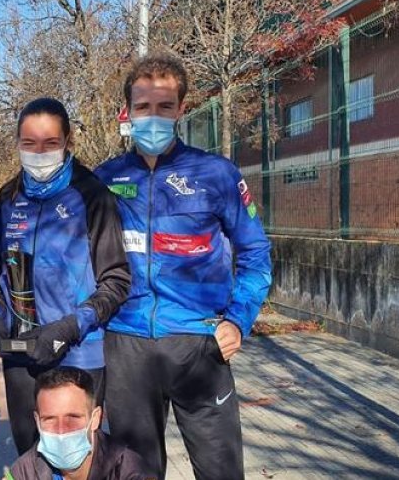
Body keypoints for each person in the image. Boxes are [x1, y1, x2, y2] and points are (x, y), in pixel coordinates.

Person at [93, 53, 273, 480]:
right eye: (143, 108)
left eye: (164, 107)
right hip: (126, 345)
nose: (152, 117)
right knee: (135, 472)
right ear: (128, 111)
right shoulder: (104, 179)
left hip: (199, 344)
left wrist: (237, 321)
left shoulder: (217, 174)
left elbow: (255, 255)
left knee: (220, 472)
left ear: (181, 110)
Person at [0, 98, 130, 455]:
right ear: (17, 143)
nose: (39, 152)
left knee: (76, 458)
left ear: (68, 143)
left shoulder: (93, 195)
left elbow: (116, 281)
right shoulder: (8, 195)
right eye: (29, 143)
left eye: (50, 144)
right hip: (21, 354)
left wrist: (68, 328)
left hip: (78, 352)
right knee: (30, 456)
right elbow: (4, 277)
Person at [6, 367, 154, 480]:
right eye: (50, 419)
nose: (61, 430)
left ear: (95, 418)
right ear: (37, 421)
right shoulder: (24, 472)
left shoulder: (131, 471)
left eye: (73, 417)